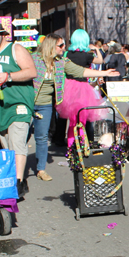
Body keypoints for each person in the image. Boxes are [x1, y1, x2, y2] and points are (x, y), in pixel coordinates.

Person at [31, 35, 118, 181]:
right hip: (28, 101)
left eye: (64, 45)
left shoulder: (61, 61)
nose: (64, 48)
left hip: (45, 104)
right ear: (51, 46)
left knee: (42, 137)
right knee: (24, 135)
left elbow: (81, 71)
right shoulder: (34, 59)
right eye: (60, 45)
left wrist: (104, 73)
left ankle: (41, 169)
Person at [0, 22, 37, 199]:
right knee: (8, 147)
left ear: (3, 34)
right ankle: (17, 179)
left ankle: (17, 183)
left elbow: (32, 71)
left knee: (17, 142)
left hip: (17, 104)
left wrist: (9, 76)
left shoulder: (15, 49)